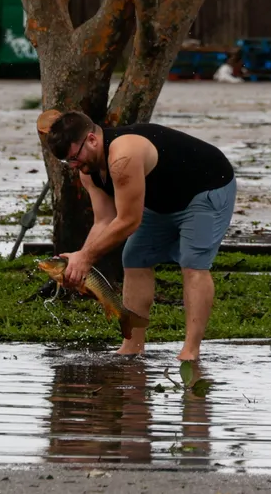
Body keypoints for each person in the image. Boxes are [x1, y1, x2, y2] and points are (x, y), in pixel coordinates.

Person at [43, 110, 237, 361]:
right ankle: (132, 346)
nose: (74, 165)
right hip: (161, 201)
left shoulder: (122, 156)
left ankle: (190, 352)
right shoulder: (88, 169)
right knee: (135, 257)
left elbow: (128, 221)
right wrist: (79, 261)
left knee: (193, 262)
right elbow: (104, 220)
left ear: (91, 139)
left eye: (74, 157)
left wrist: (86, 258)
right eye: (68, 162)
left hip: (206, 188)